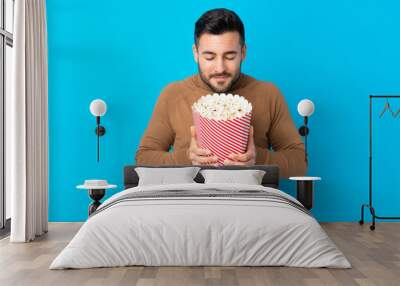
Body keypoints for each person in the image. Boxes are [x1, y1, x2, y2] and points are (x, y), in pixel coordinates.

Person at [135, 8, 307, 178]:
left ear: (243, 53)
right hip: (188, 202)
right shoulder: (173, 94)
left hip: (251, 202)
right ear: (196, 53)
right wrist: (187, 157)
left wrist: (257, 158)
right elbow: (143, 159)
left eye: (230, 56)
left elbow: (299, 163)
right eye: (209, 57)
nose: (220, 68)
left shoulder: (268, 94)